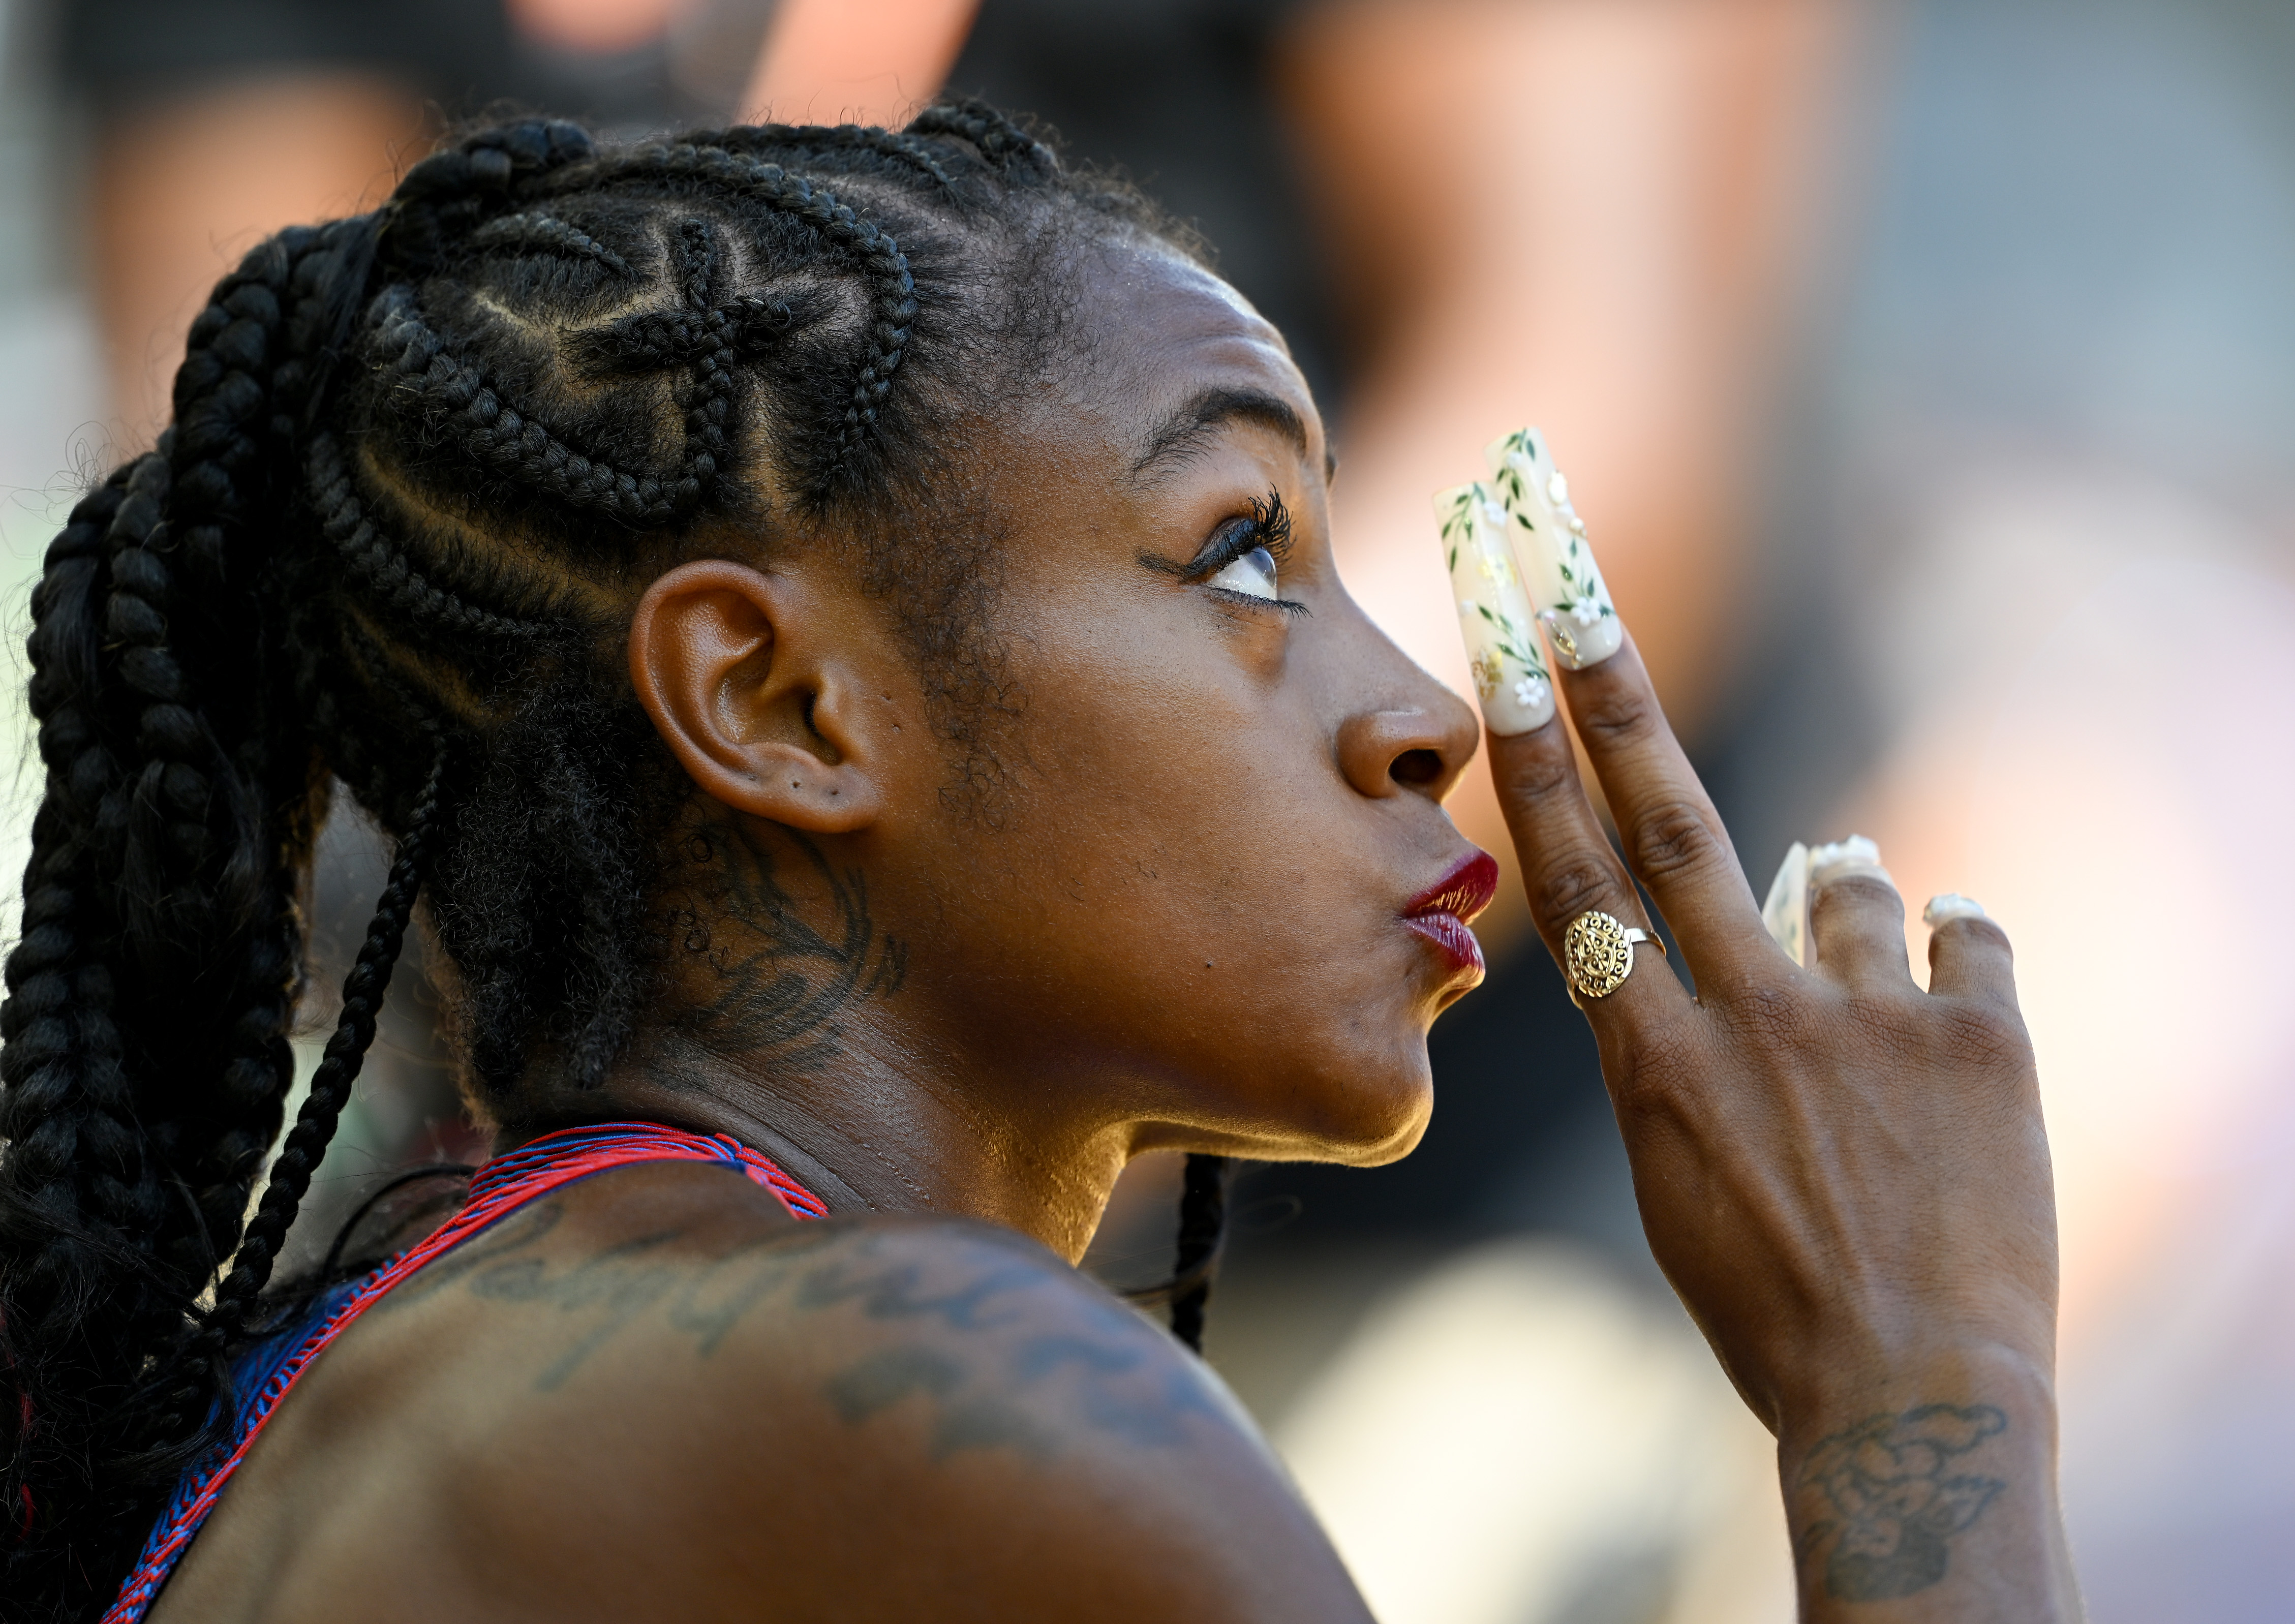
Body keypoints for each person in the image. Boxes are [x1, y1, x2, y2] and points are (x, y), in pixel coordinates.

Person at [0, 108, 2076, 1621]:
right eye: (1242, 554)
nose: (1422, 713)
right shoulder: (953, 1404)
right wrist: (1915, 1388)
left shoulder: (437, 1335)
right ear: (780, 703)